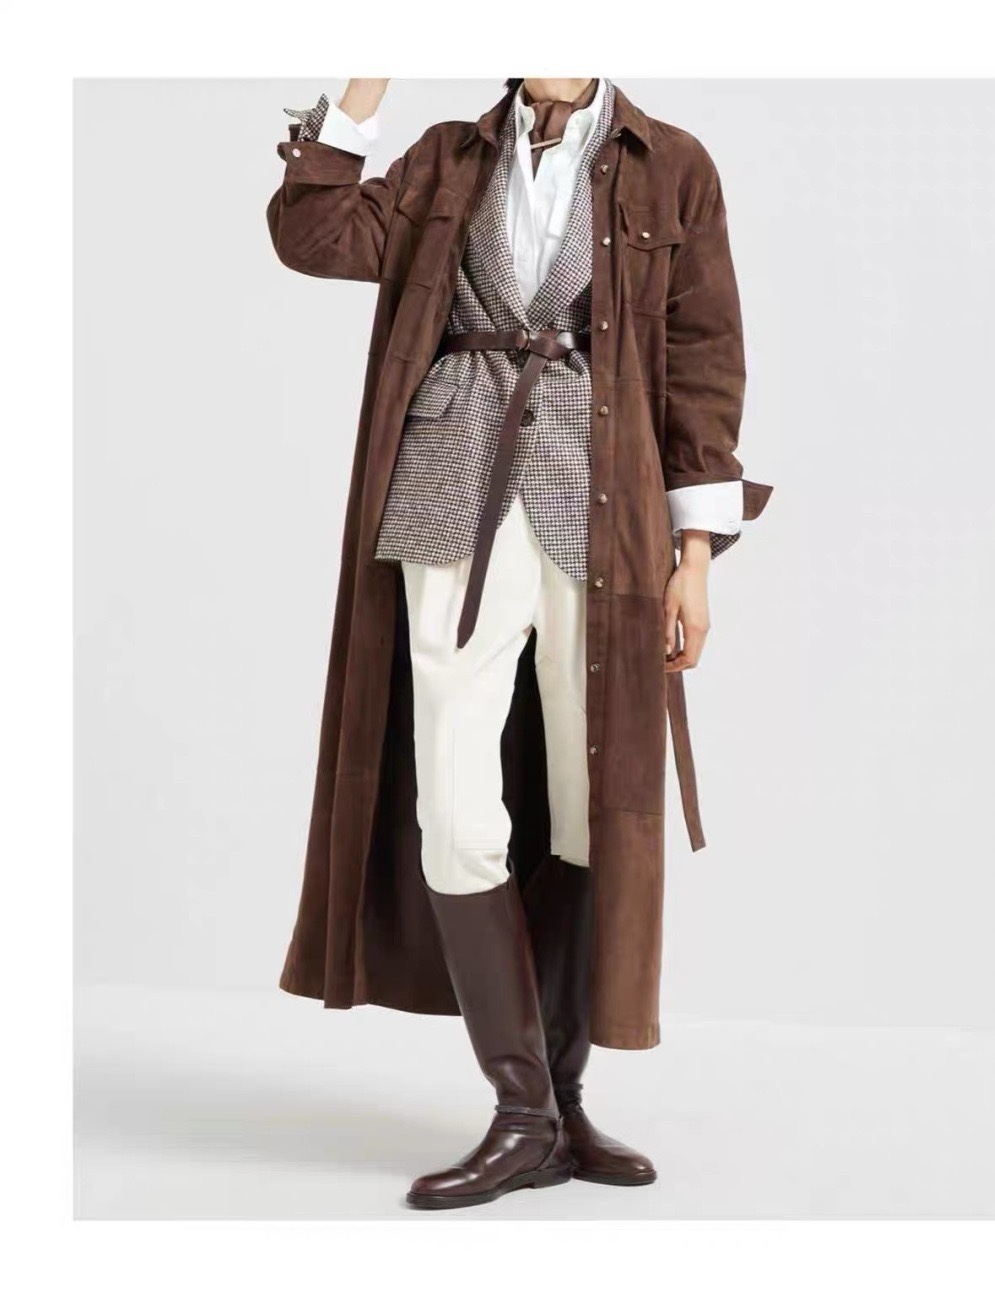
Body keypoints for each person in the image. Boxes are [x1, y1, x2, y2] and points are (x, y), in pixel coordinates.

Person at [267, 76, 772, 1210]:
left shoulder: (673, 163)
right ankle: (523, 1113)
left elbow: (703, 357)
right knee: (454, 805)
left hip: (605, 502)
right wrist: (363, 85)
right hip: (452, 492)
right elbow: (314, 235)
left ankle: (557, 1098)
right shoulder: (447, 155)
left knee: (592, 807)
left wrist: (696, 554)